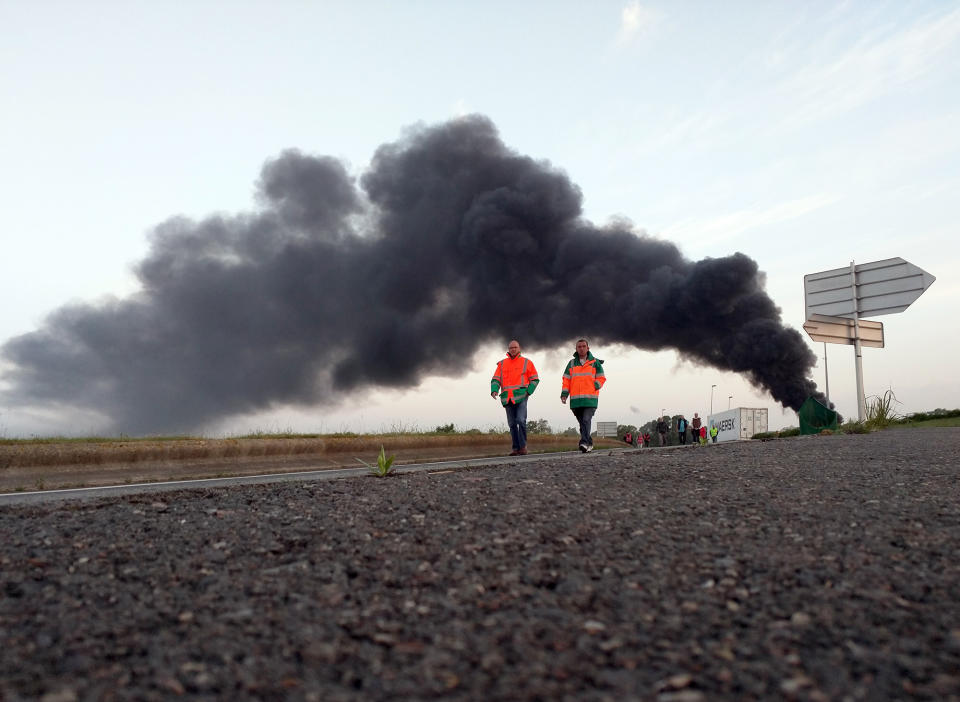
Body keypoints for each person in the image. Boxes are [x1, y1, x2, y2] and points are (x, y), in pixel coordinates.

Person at [490, 340, 539, 456]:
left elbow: (535, 379)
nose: (513, 349)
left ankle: (523, 447)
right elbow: (496, 379)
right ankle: (515, 448)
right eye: (511, 348)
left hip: (521, 396)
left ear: (519, 348)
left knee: (520, 420)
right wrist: (494, 390)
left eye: (515, 347)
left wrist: (528, 391)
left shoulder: (527, 362)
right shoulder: (502, 364)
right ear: (508, 349)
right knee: (512, 424)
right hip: (507, 398)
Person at [560, 338, 606, 452]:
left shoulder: (595, 362)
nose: (581, 348)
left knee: (586, 420)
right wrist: (564, 394)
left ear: (588, 348)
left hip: (590, 399)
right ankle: (589, 443)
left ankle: (584, 443)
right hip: (576, 400)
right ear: (576, 349)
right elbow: (566, 379)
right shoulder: (571, 363)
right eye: (579, 347)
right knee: (582, 424)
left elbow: (601, 377)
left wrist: (595, 385)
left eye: (583, 346)